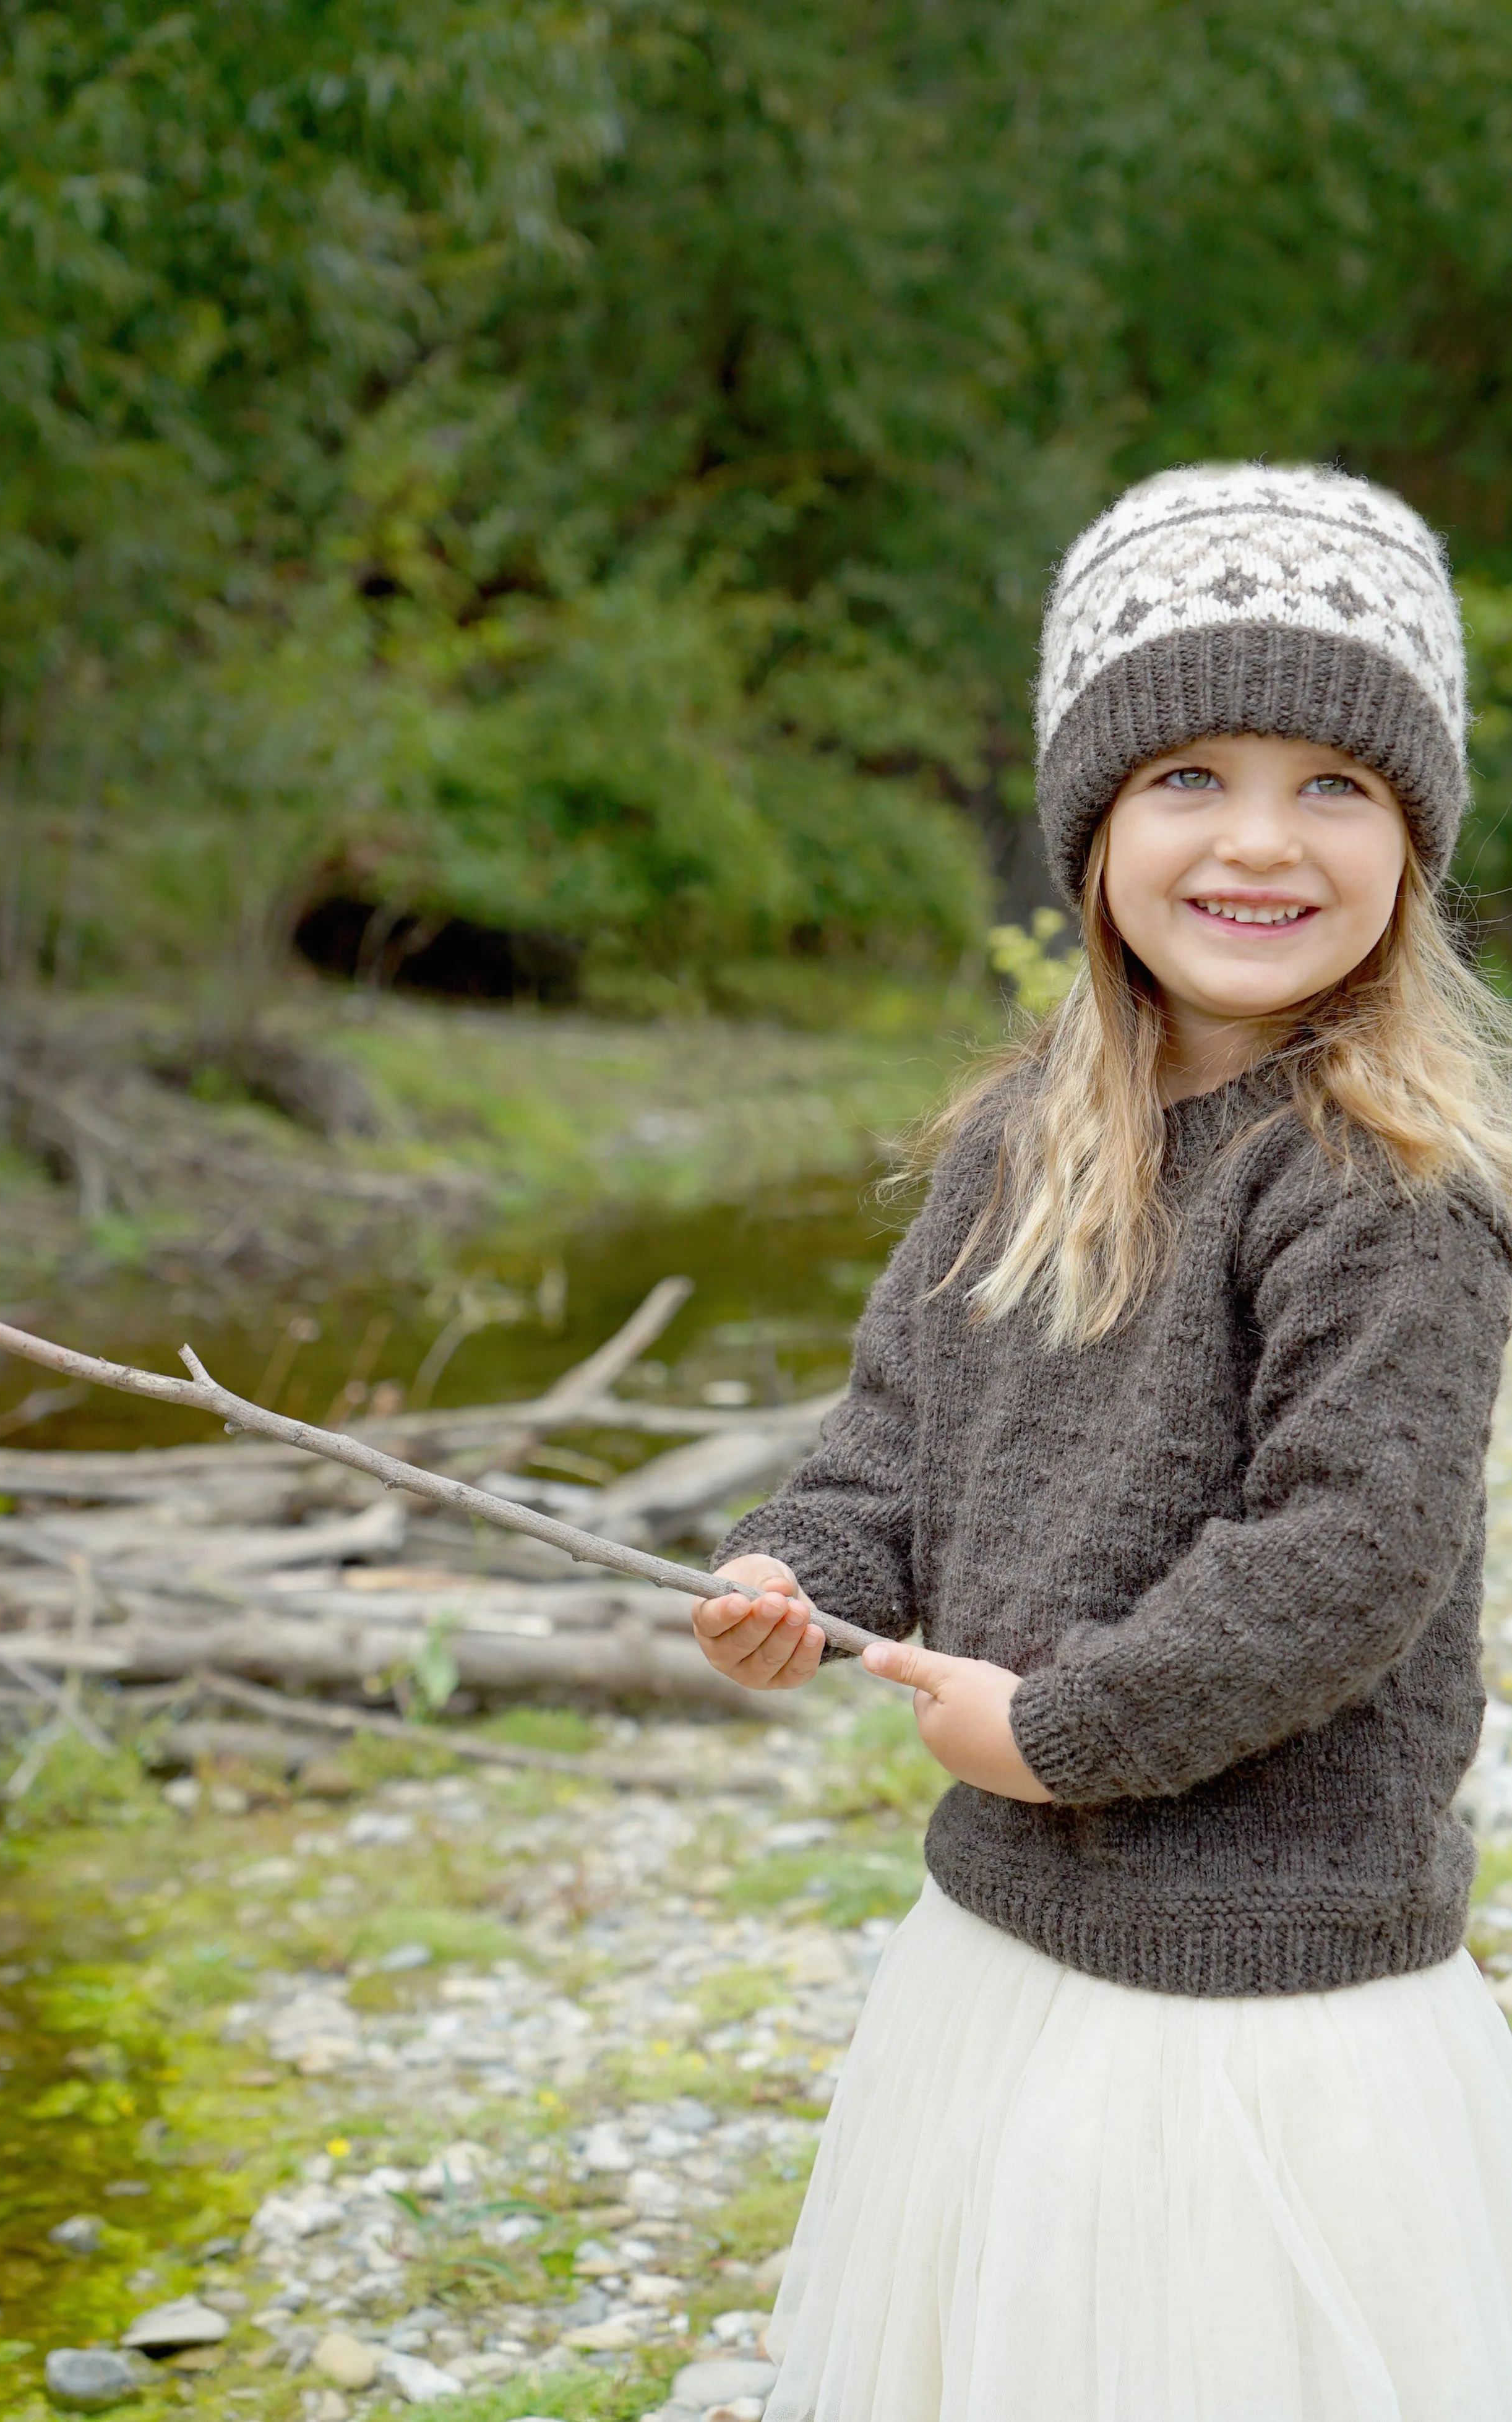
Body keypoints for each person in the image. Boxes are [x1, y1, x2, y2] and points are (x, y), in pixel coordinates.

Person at [692, 463, 1512, 2422]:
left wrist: (1061, 1732)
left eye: (1336, 784)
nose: (1260, 841)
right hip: (1007, 1945)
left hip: (1265, 1995)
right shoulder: (1022, 1146)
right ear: (1089, 828)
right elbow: (898, 1432)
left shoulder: (1384, 1189)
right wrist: (802, 1570)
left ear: (1414, 834)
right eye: (1188, 779)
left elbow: (1346, 1559)